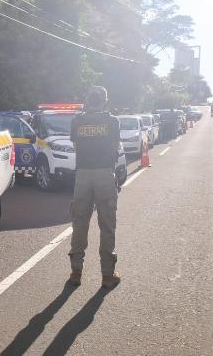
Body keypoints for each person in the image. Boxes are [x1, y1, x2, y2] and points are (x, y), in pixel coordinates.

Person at [68, 86, 121, 289]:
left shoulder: (77, 121)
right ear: (105, 102)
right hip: (105, 175)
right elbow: (115, 147)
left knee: (79, 223)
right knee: (107, 225)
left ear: (87, 101)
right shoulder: (112, 121)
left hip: (82, 176)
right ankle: (108, 275)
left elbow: (76, 147)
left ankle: (76, 272)